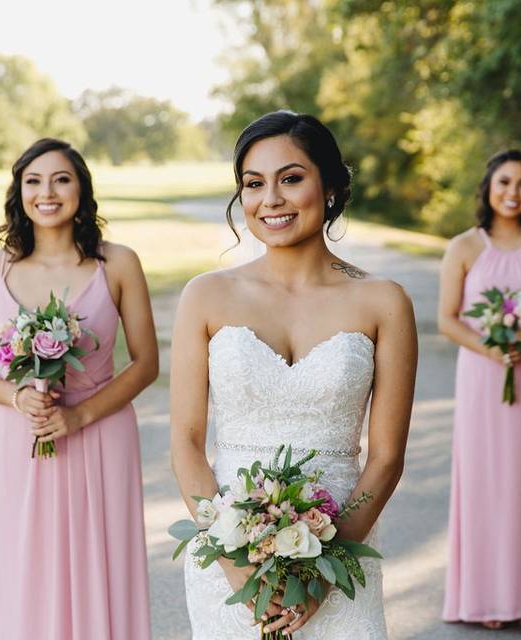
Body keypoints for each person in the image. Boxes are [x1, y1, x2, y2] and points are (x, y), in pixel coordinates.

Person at [170, 111, 417, 639]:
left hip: (341, 553)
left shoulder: (383, 301)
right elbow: (187, 444)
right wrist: (237, 566)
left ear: (329, 186)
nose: (271, 200)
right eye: (253, 185)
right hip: (229, 557)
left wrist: (322, 578)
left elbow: (387, 457)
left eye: (291, 178)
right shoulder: (205, 296)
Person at [0, 138, 158, 639]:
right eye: (33, 181)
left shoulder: (118, 263)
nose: (46, 192)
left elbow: (146, 363)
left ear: (81, 190)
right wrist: (16, 396)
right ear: (19, 191)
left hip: (100, 434)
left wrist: (80, 416)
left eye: (61, 179)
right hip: (21, 437)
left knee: (102, 562)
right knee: (28, 564)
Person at [438, 149, 521, 630]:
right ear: (488, 189)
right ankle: (488, 599)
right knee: (489, 482)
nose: (513, 193)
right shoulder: (464, 247)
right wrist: (492, 349)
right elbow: (446, 319)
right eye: (504, 183)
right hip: (483, 377)